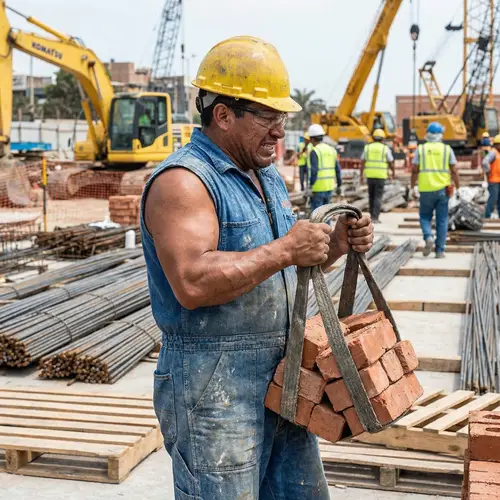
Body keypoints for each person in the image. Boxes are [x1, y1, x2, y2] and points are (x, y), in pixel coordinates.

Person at [141, 35, 374, 500]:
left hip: (281, 376)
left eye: (282, 119)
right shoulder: (183, 183)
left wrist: (334, 248)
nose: (279, 132)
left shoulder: (263, 174)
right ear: (223, 114)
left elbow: (275, 270)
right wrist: (286, 248)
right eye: (267, 118)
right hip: (212, 383)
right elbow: (192, 281)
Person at [411, 122, 460, 258]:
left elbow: (414, 170)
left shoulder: (420, 149)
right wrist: (459, 187)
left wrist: (411, 187)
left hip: (425, 189)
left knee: (425, 217)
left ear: (428, 134)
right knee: (442, 220)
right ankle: (439, 251)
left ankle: (428, 237)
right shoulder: (447, 149)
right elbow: (454, 170)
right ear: (440, 135)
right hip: (443, 190)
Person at [360, 129, 395, 223]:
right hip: (381, 176)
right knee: (378, 197)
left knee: (371, 196)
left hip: (370, 176)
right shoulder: (385, 148)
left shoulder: (367, 148)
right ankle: (375, 217)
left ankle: (372, 216)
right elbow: (391, 162)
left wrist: (361, 176)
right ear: (382, 139)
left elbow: (362, 162)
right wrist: (393, 173)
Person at [307, 123, 342, 213]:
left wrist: (310, 186)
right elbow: (338, 169)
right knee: (327, 214)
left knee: (317, 217)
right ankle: (328, 227)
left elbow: (314, 171)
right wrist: (339, 185)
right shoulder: (332, 150)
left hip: (318, 188)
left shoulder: (315, 151)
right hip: (329, 187)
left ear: (312, 138)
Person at [481, 133, 500, 218]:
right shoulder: (493, 153)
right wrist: (488, 172)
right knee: (493, 199)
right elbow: (485, 162)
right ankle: (488, 215)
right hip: (494, 181)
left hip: (498, 180)